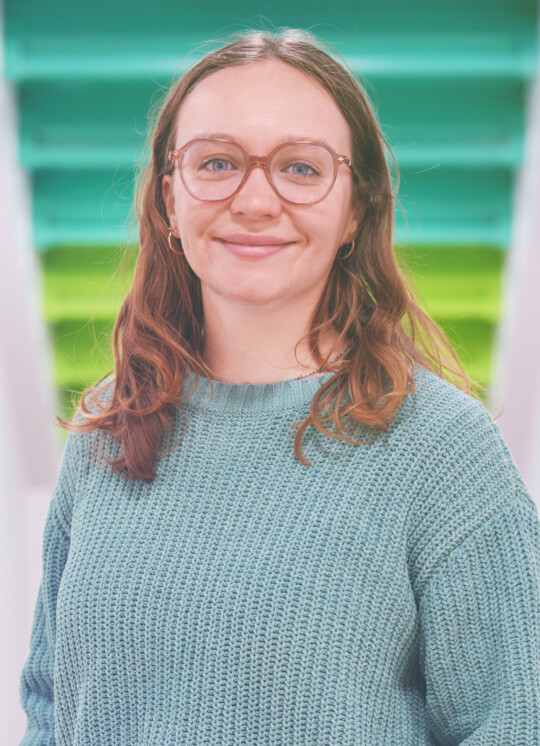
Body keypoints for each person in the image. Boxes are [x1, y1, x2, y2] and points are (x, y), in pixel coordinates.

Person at [20, 29, 540, 746]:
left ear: (354, 210)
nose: (256, 201)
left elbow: (516, 723)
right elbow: (50, 710)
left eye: (300, 168)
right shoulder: (109, 428)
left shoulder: (443, 451)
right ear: (170, 199)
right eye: (217, 162)